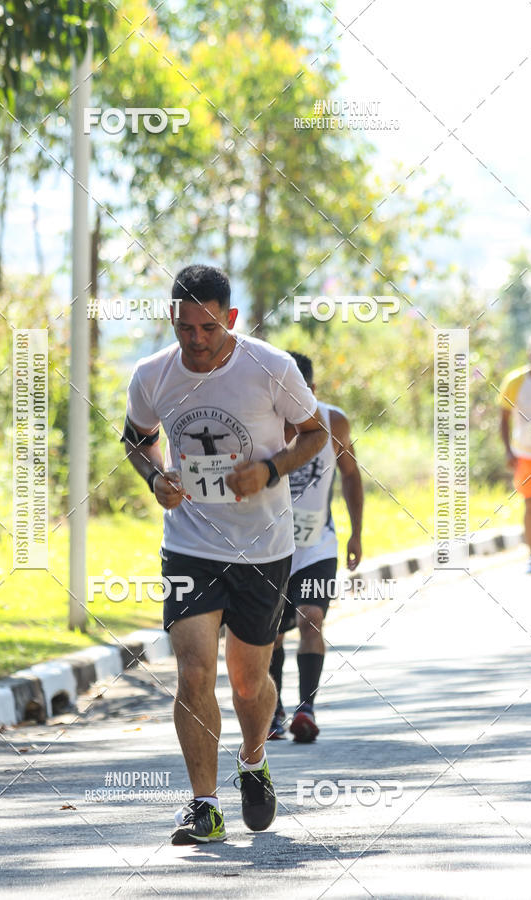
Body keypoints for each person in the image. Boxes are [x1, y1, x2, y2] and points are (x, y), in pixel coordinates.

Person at [122, 264, 328, 844]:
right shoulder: (151, 375)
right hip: (189, 544)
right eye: (185, 327)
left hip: (263, 546)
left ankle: (255, 758)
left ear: (230, 319)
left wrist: (268, 468)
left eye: (208, 328)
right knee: (192, 673)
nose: (196, 340)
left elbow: (315, 434)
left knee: (246, 682)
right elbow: (137, 439)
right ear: (172, 319)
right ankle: (204, 805)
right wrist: (154, 476)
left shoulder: (271, 367)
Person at [268, 351, 363, 742]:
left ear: (313, 390)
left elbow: (351, 474)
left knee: (311, 618)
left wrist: (357, 532)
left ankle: (306, 708)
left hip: (316, 545)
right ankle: (272, 712)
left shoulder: (332, 421)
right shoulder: (262, 420)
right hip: (268, 545)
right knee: (270, 632)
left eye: (302, 391)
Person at [499, 335, 531, 575]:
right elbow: (503, 419)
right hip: (526, 455)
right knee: (530, 504)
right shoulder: (514, 382)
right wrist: (507, 450)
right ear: (530, 354)